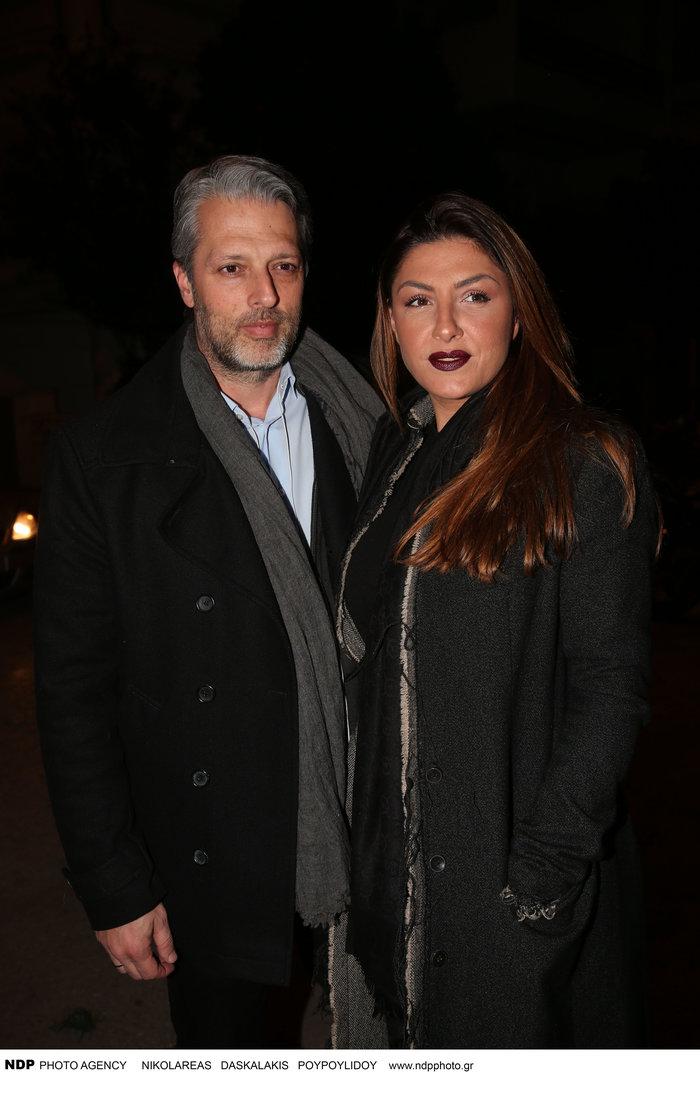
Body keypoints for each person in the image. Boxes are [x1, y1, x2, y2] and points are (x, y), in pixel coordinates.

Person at [34, 154, 382, 1048]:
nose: (264, 295)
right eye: (232, 267)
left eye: (284, 264)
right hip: (215, 851)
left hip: (375, 823)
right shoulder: (103, 459)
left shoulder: (369, 422)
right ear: (185, 282)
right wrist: (114, 883)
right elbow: (73, 694)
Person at [330, 192, 659, 1049]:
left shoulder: (582, 459)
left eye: (474, 295)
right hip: (393, 867)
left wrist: (543, 874)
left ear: (518, 314)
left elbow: (611, 684)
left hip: (504, 884)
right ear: (390, 322)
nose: (445, 323)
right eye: (418, 299)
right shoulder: (395, 451)